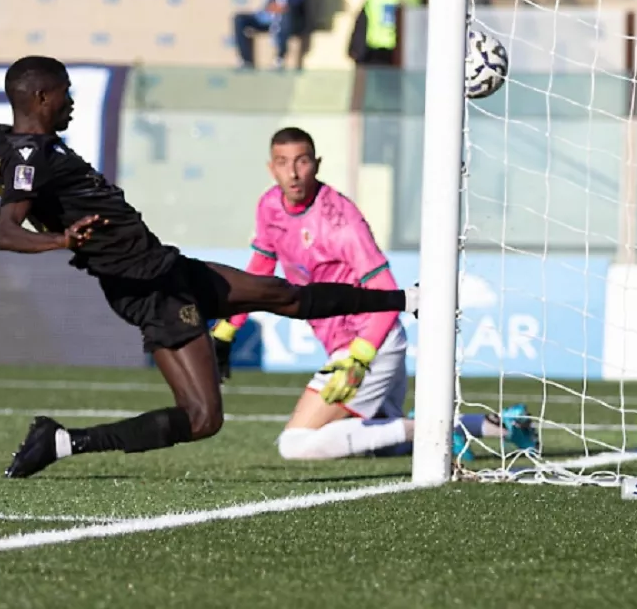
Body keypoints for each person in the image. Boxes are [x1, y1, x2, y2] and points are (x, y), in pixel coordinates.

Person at [0, 55, 420, 479]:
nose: (72, 101)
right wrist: (61, 238)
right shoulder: (31, 158)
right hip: (147, 289)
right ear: (41, 97)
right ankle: (63, 442)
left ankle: (407, 300)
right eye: (65, 93)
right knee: (204, 419)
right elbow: (6, 233)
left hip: (166, 266)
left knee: (283, 294)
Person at [210, 128, 538, 461]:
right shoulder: (269, 206)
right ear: (271, 168)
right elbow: (259, 272)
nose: (293, 173)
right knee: (380, 441)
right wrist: (225, 331)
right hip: (354, 347)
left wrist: (360, 357)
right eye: (283, 163)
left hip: (368, 344)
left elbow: (385, 292)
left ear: (317, 164)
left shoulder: (340, 219)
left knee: (296, 444)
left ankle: (435, 427)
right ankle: (502, 425)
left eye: (302, 161)